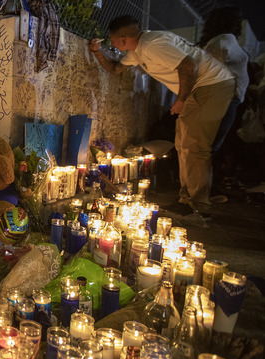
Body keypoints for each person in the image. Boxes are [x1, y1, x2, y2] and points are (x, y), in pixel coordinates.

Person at [89, 15, 235, 218]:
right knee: (183, 144)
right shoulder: (137, 49)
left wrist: (181, 99)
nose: (111, 43)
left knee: (195, 146)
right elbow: (115, 68)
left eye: (112, 40)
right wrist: (97, 52)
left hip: (211, 86)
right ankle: (186, 200)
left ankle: (199, 207)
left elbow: (189, 66)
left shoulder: (151, 45)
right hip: (199, 88)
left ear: (123, 39)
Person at [199, 6, 249, 199]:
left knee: (211, 145)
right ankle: (203, 190)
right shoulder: (223, 41)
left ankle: (206, 188)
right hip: (223, 99)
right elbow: (211, 73)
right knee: (209, 146)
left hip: (227, 99)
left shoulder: (223, 40)